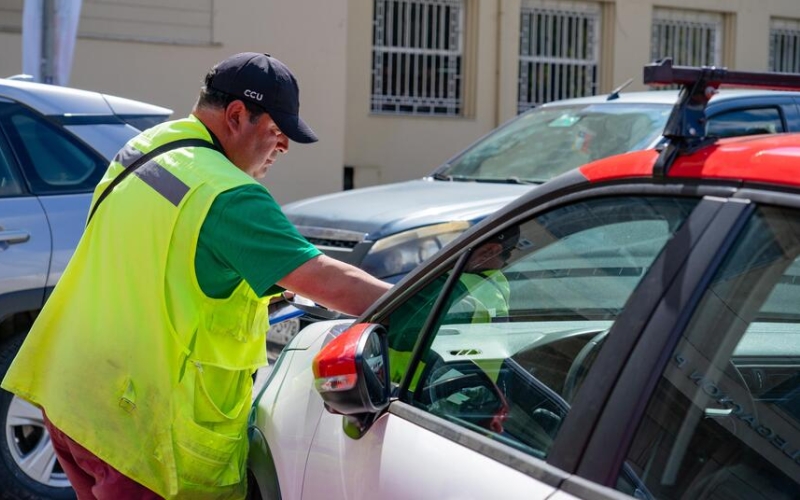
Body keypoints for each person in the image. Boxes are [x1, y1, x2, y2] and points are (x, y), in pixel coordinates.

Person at [1, 52, 391, 500]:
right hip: (140, 436)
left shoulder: (144, 148)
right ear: (237, 115)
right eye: (277, 133)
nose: (283, 147)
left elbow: (158, 263)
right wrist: (423, 301)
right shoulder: (227, 194)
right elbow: (327, 280)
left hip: (74, 401)